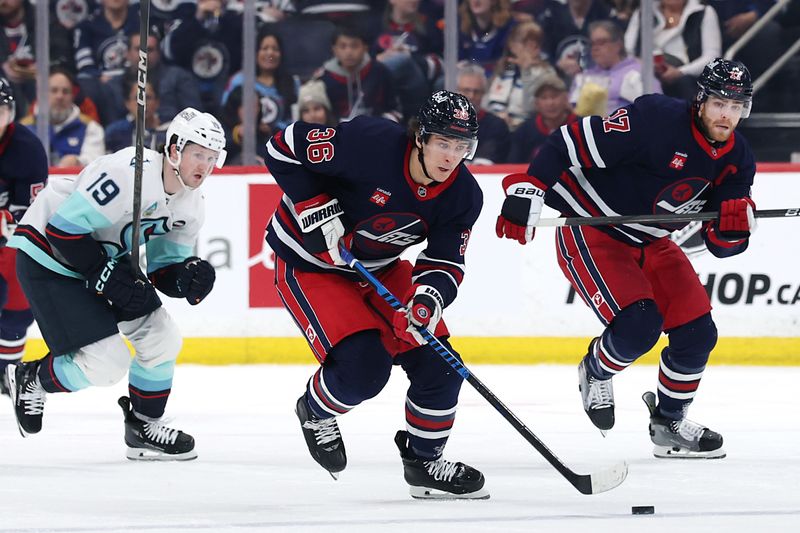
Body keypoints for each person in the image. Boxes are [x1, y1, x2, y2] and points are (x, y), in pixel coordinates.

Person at [495, 58, 757, 459]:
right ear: (701, 101)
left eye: (737, 106)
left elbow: (720, 244)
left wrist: (734, 230)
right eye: (721, 103)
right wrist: (529, 189)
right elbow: (567, 142)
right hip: (593, 227)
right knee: (639, 327)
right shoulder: (655, 119)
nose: (728, 115)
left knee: (698, 333)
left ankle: (668, 422)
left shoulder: (738, 157)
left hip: (652, 239)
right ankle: (595, 371)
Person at [264, 90, 488, 499]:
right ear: (420, 136)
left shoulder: (463, 195)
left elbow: (444, 263)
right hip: (309, 263)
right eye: (443, 142)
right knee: (364, 370)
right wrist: (313, 203)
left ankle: (424, 462)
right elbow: (282, 146)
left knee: (441, 365)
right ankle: (315, 412)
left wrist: (426, 300)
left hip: (380, 267)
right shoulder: (371, 143)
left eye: (461, 146)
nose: (450, 157)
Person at [5, 107, 224, 461]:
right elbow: (63, 230)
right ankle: (32, 377)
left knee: (162, 337)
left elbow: (163, 267)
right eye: (199, 154)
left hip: (103, 260)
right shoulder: (127, 172)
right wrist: (105, 275)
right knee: (107, 364)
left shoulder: (192, 205)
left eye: (213, 158)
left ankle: (143, 426)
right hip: (48, 257)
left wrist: (186, 277)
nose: (205, 166)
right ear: (173, 150)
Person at [0, 77, 47, 394]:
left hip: (11, 242)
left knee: (18, 302)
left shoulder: (28, 150)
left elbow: (28, 217)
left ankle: (6, 371)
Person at [570, 20, 661, 116]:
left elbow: (657, 107)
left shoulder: (638, 71)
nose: (595, 48)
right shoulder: (585, 75)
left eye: (601, 42)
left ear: (618, 45)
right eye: (592, 43)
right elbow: (571, 108)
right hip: (589, 127)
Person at [20, 67, 105, 168]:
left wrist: (78, 161)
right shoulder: (23, 128)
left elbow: (97, 164)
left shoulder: (91, 127)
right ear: (41, 94)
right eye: (54, 90)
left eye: (65, 91)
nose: (59, 96)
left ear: (72, 96)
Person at [508, 75, 578, 163]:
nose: (550, 103)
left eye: (554, 96)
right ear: (536, 103)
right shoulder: (524, 131)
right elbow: (513, 166)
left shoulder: (582, 127)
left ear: (566, 99)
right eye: (544, 98)